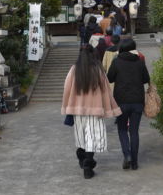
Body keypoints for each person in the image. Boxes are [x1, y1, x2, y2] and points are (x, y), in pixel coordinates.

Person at [61, 45, 121, 179]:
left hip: (77, 110)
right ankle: (88, 165)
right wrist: (109, 109)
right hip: (96, 110)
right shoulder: (98, 70)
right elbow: (106, 91)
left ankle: (81, 155)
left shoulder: (74, 70)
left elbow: (67, 89)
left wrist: (66, 107)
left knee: (81, 137)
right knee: (92, 137)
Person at [107, 38, 150, 170]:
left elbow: (109, 78)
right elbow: (146, 79)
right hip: (137, 101)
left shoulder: (116, 61)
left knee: (122, 129)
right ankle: (135, 163)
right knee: (134, 131)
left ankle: (127, 155)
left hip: (121, 101)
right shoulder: (139, 62)